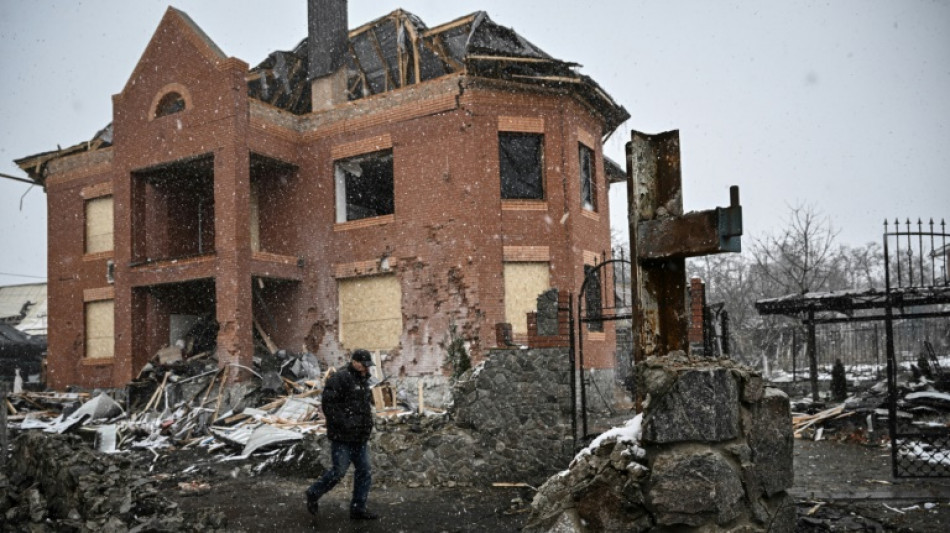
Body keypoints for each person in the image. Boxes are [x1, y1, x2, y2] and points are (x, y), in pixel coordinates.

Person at [306, 349, 379, 520]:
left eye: (368, 365)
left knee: (364, 471)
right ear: (354, 362)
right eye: (364, 365)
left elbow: (363, 407)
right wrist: (346, 424)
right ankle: (313, 493)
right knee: (338, 472)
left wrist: (366, 425)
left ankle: (358, 508)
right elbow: (329, 406)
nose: (366, 369)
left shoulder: (363, 380)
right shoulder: (339, 378)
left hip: (360, 437)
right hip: (342, 437)